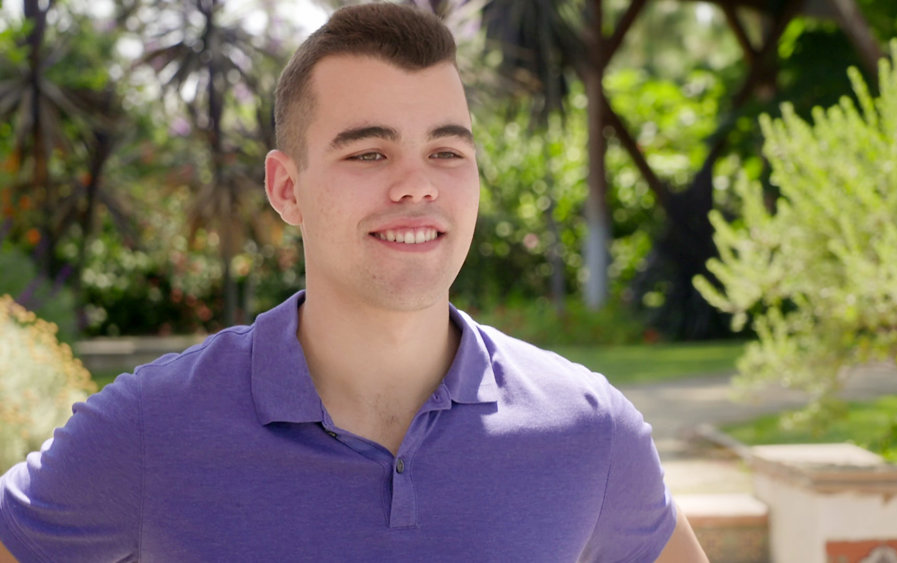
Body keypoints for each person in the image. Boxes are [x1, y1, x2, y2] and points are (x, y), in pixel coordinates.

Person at [0, 3, 708, 561]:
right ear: (287, 188)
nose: (416, 185)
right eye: (370, 153)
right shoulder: (151, 428)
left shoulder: (589, 431)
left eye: (446, 151)